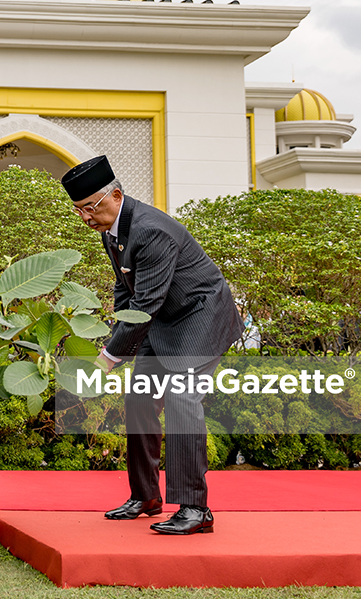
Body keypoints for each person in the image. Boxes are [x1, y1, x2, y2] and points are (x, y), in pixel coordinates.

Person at [61, 155, 241, 535]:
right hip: (161, 320)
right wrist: (112, 342)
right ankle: (146, 496)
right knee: (140, 398)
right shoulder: (113, 228)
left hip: (200, 316)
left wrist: (108, 359)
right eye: (79, 210)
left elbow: (145, 304)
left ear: (116, 195)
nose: (86, 218)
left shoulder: (150, 229)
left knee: (180, 397)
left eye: (90, 207)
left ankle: (195, 508)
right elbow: (125, 291)